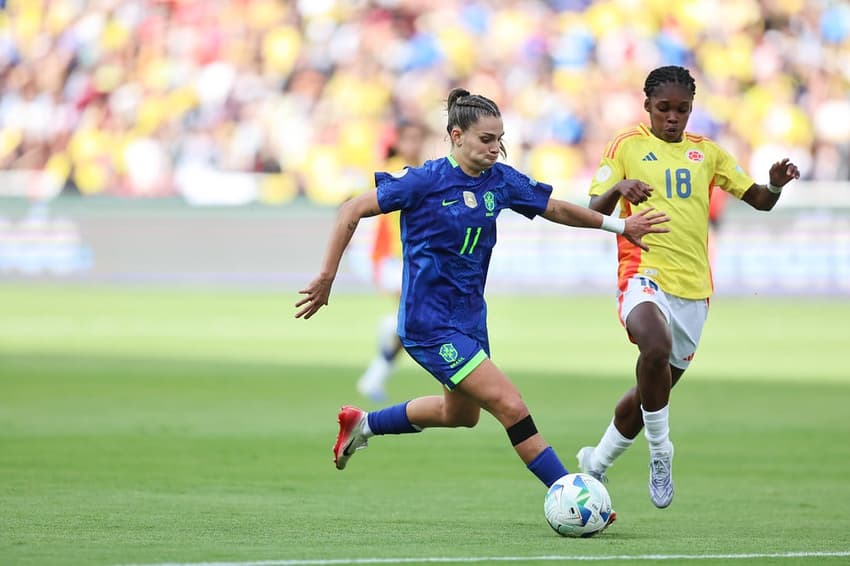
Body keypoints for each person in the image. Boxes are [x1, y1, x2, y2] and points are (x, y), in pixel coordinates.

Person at [295, 87, 669, 505]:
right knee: (509, 403)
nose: (496, 149)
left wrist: (619, 227)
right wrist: (327, 276)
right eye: (486, 140)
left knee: (461, 415)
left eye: (500, 139)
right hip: (429, 324)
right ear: (457, 136)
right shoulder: (425, 180)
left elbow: (557, 209)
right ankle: (573, 496)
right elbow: (351, 209)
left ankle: (362, 424)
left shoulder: (501, 181)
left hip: (470, 319)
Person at [575, 65, 800, 509]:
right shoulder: (626, 146)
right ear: (648, 108)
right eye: (664, 109)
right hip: (642, 273)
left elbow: (759, 200)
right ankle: (662, 454)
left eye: (682, 109)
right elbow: (591, 208)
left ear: (692, 109)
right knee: (653, 348)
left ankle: (595, 465)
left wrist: (773, 183)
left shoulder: (708, 153)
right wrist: (620, 186)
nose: (673, 118)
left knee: (647, 394)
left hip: (694, 290)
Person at [357, 120, 429, 402]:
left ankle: (374, 377)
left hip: (415, 258)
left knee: (413, 323)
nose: (413, 144)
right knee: (413, 318)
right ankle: (391, 324)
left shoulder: (425, 170)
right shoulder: (392, 171)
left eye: (417, 138)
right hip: (391, 259)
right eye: (408, 138)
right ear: (398, 142)